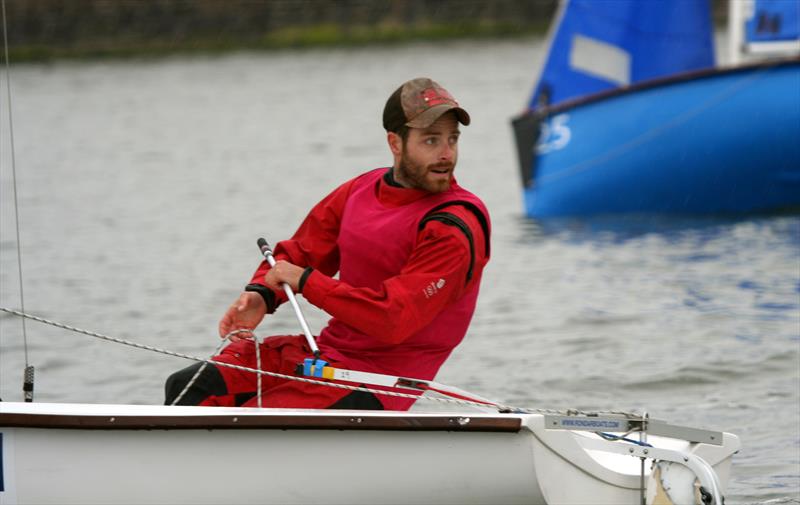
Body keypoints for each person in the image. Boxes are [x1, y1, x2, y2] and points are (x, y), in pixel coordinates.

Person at [164, 77, 491, 411]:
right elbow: (300, 252)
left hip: (383, 381)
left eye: (453, 139)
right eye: (431, 141)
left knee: (255, 416)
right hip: (325, 356)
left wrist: (305, 281)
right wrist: (263, 293)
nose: (446, 154)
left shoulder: (454, 225)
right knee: (188, 386)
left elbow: (393, 320)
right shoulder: (360, 190)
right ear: (395, 142)